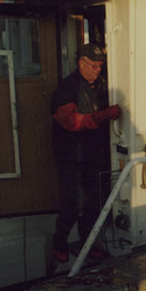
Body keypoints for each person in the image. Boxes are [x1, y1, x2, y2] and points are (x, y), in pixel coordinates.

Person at [50, 43, 121, 263]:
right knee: (74, 202)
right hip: (71, 155)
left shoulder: (101, 84)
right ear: (81, 63)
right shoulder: (66, 88)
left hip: (94, 154)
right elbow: (72, 122)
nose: (98, 69)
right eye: (94, 65)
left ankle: (88, 244)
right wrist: (104, 115)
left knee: (95, 201)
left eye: (101, 65)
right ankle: (59, 243)